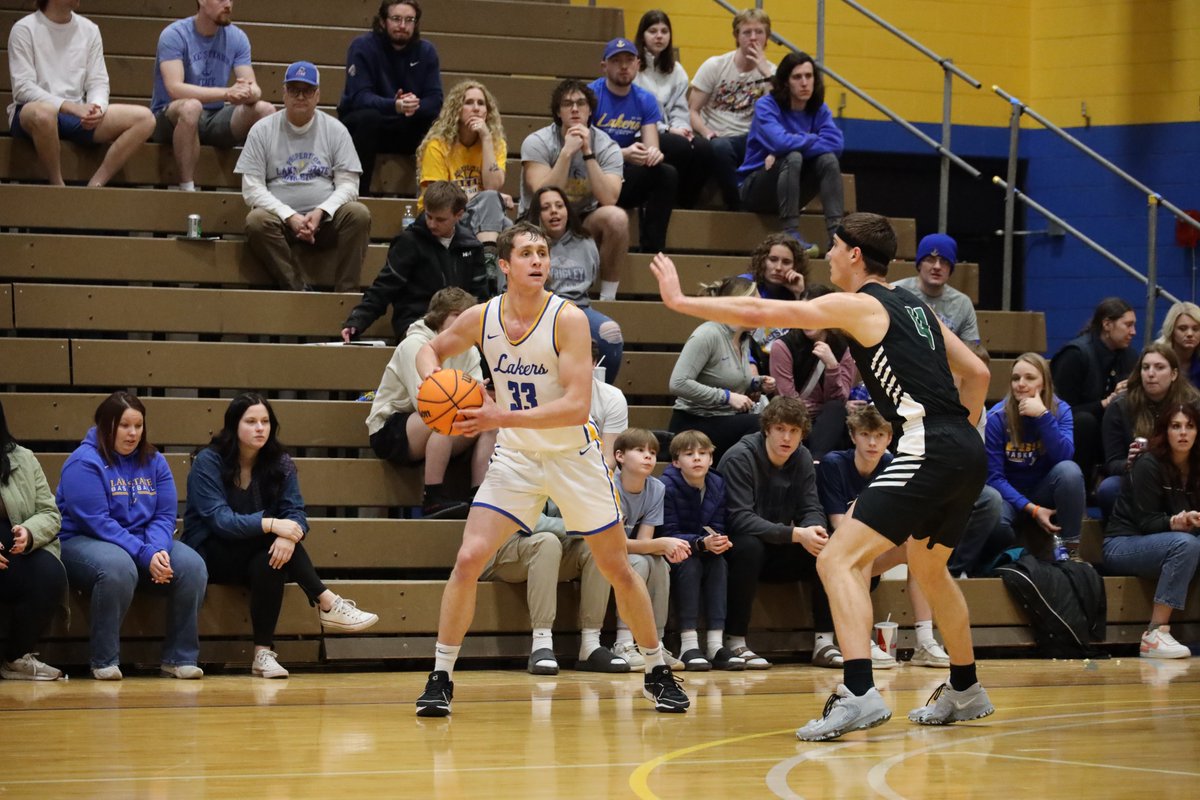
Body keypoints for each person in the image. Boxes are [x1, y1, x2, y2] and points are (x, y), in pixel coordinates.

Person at [651, 210, 996, 741]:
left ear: (855, 254)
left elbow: (762, 309)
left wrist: (680, 303)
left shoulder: (862, 302)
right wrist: (962, 437)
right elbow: (978, 373)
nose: (828, 256)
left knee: (837, 557)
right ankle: (967, 687)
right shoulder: (918, 307)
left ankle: (858, 692)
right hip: (964, 450)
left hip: (927, 444)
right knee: (929, 570)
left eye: (833, 247)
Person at [413, 221, 689, 716]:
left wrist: (499, 416)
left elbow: (578, 406)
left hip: (572, 457)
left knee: (617, 566)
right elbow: (430, 347)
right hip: (517, 458)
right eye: (527, 253)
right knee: (469, 558)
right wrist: (433, 381)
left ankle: (656, 670)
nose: (539, 260)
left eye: (543, 252)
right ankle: (440, 676)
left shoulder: (568, 320)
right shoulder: (482, 317)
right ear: (504, 265)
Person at [183, 393, 379, 678]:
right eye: (250, 421)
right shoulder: (208, 462)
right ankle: (327, 602)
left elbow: (296, 511)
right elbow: (219, 520)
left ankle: (263, 654)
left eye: (265, 421)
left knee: (274, 558)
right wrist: (273, 526)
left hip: (254, 555)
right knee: (272, 541)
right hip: (211, 554)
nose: (260, 428)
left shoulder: (279, 462)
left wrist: (287, 536)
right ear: (233, 426)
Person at [56, 392, 208, 681]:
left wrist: (157, 551)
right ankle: (104, 660)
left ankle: (179, 658)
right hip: (82, 541)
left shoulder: (155, 461)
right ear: (105, 426)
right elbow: (98, 523)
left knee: (192, 565)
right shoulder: (83, 462)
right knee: (117, 567)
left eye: (138, 426)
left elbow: (164, 516)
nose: (133, 433)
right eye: (124, 425)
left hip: (139, 541)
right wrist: (144, 553)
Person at [817, 405, 951, 669]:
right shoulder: (834, 464)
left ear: (890, 439)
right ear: (853, 436)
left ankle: (924, 640)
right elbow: (838, 523)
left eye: (879, 435)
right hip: (840, 557)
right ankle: (861, 641)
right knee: (861, 542)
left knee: (921, 545)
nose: (872, 442)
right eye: (865, 434)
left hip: (875, 551)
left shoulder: (892, 465)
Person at [716, 397, 837, 671]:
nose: (787, 437)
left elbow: (811, 506)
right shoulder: (740, 457)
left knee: (826, 547)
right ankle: (735, 640)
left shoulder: (802, 456)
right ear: (767, 429)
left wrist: (815, 530)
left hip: (779, 545)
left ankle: (824, 641)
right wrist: (796, 534)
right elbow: (740, 519)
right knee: (749, 546)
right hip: (733, 550)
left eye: (794, 431)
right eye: (781, 429)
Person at [235, 61, 371, 294]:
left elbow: (349, 184)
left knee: (359, 214)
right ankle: (297, 289)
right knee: (256, 221)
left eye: (307, 90)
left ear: (317, 95)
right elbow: (252, 188)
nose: (300, 96)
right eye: (294, 90)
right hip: (280, 223)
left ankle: (346, 294)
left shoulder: (336, 130)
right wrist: (290, 217)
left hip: (326, 222)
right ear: (284, 93)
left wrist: (321, 212)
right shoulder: (262, 130)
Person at [366, 287, 496, 518]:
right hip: (392, 428)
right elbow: (425, 404)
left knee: (489, 423)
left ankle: (480, 497)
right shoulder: (414, 344)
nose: (465, 321)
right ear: (440, 315)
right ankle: (432, 498)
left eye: (468, 315)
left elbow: (477, 396)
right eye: (458, 315)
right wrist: (467, 399)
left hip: (440, 424)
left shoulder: (470, 350)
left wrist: (480, 401)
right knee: (443, 415)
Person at [7, 0, 155, 188]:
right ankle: (57, 186)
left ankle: (96, 184)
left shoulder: (89, 30)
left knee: (145, 119)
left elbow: (98, 82)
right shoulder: (24, 29)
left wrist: (97, 108)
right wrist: (70, 107)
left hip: (76, 113)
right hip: (32, 112)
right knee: (43, 113)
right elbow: (23, 87)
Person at [1104, 403, 1200, 659]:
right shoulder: (1148, 463)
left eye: (1190, 427)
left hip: (1167, 543)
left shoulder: (1197, 466)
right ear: (1164, 431)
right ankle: (1155, 634)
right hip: (1123, 543)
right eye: (1176, 426)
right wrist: (1175, 523)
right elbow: (1145, 522)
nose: (1183, 433)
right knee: (1186, 544)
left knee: (1188, 543)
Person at [149, 0, 275, 191]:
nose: (228, 4)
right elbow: (175, 89)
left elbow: (253, 86)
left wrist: (249, 93)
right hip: (170, 117)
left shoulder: (237, 37)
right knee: (192, 107)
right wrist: (226, 93)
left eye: (231, 0)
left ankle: (260, 186)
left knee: (266, 110)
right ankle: (187, 188)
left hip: (213, 117)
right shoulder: (175, 34)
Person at [520, 79, 628, 301]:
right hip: (539, 216)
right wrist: (567, 153)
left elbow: (609, 198)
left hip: (581, 219)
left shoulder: (607, 146)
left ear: (590, 110)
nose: (575, 109)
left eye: (581, 103)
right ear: (558, 112)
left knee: (617, 219)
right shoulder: (538, 141)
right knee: (549, 206)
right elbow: (544, 194)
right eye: (568, 104)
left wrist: (587, 153)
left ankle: (608, 298)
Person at [341, 181, 488, 342]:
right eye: (428, 216)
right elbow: (384, 287)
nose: (432, 224)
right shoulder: (409, 242)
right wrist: (357, 320)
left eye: (440, 219)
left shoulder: (472, 246)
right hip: (417, 324)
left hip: (460, 325)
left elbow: (480, 297)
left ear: (458, 215)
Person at [738, 51, 844, 253]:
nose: (804, 83)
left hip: (793, 187)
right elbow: (780, 143)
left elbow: (836, 144)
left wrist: (794, 141)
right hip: (756, 187)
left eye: (809, 76)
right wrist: (812, 138)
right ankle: (790, 232)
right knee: (792, 157)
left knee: (828, 159)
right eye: (797, 77)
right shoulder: (766, 106)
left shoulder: (819, 109)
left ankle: (836, 237)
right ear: (785, 82)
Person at [337, 1, 442, 196]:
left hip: (405, 125)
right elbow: (359, 97)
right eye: (396, 19)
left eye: (409, 20)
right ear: (383, 21)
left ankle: (432, 198)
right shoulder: (363, 46)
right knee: (368, 118)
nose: (402, 25)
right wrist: (394, 105)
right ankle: (358, 195)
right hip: (367, 128)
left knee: (435, 123)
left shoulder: (426, 51)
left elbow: (435, 100)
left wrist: (413, 105)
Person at [660, 430, 744, 671]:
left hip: (702, 548)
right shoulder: (666, 486)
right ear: (676, 462)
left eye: (703, 453)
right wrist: (699, 543)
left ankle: (715, 644)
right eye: (689, 454)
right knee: (690, 562)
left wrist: (717, 541)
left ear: (711, 459)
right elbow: (667, 531)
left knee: (719, 562)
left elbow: (717, 524)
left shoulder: (717, 483)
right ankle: (688, 643)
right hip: (671, 552)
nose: (697, 458)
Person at [986, 353, 1087, 549]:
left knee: (1069, 471)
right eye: (1016, 378)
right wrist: (1032, 509)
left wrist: (1043, 416)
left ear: (1045, 383)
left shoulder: (1061, 411)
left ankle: (1071, 550)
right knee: (996, 521)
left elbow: (1064, 457)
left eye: (1029, 378)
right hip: (1009, 496)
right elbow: (994, 478)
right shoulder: (996, 417)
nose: (1021, 384)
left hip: (1043, 490)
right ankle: (1006, 560)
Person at [668, 276, 774, 463]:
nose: (762, 311)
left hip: (722, 420)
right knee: (763, 424)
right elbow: (678, 383)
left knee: (777, 420)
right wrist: (726, 396)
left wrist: (756, 383)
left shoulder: (743, 339)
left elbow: (725, 377)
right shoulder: (708, 334)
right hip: (694, 422)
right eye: (757, 305)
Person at [589, 38, 678, 257]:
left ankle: (652, 250)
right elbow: (583, 150)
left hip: (623, 176)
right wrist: (622, 154)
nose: (624, 66)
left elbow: (651, 147)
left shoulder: (645, 99)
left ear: (638, 64)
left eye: (629, 60)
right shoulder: (590, 95)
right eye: (616, 61)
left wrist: (653, 154)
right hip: (593, 174)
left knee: (666, 173)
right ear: (604, 66)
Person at [528, 185, 623, 383]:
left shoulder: (585, 241)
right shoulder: (528, 245)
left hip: (579, 308)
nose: (554, 211)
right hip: (544, 308)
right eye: (546, 208)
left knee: (611, 333)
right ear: (537, 215)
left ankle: (599, 392)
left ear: (567, 211)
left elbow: (591, 278)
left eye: (559, 205)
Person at [0, 399, 67, 680]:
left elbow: (50, 513)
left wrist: (29, 532)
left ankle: (16, 657)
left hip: (12, 545)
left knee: (49, 573)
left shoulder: (23, 458)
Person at [1098, 344, 1200, 517]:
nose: (1151, 374)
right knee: (1109, 488)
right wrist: (1129, 464)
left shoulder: (1193, 404)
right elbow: (1112, 463)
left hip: (1183, 477)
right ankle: (1122, 537)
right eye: (1145, 368)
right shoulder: (1120, 406)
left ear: (1174, 374)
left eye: (1159, 367)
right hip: (1139, 477)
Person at [688, 8, 775, 211]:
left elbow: (777, 116)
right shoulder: (715, 66)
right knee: (719, 147)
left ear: (767, 37)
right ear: (737, 36)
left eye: (759, 32)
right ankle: (738, 205)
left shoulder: (773, 73)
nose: (753, 38)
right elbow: (692, 110)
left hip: (750, 140)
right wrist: (706, 132)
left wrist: (765, 73)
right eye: (747, 32)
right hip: (717, 137)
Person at [610, 429, 680, 671]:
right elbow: (616, 543)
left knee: (659, 563)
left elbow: (644, 540)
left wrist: (660, 547)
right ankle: (623, 642)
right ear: (619, 456)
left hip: (626, 548)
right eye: (640, 451)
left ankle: (655, 643)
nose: (648, 457)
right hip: (599, 551)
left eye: (652, 452)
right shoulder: (609, 486)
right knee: (637, 563)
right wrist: (662, 544)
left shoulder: (656, 488)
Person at [1051, 297, 1138, 489]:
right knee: (1084, 422)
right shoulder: (1075, 355)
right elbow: (1058, 410)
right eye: (1128, 325)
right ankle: (1077, 488)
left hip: (1109, 431)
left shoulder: (1130, 356)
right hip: (1074, 431)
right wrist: (1105, 403)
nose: (1133, 332)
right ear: (1107, 324)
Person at [632, 9, 714, 209]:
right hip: (641, 131)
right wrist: (668, 130)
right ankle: (660, 195)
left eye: (664, 31)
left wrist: (682, 128)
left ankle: (685, 202)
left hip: (673, 130)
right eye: (653, 31)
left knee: (704, 148)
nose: (659, 36)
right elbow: (638, 113)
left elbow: (680, 109)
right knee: (680, 146)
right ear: (642, 35)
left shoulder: (677, 70)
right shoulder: (634, 67)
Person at [415, 79, 512, 248]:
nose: (476, 108)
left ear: (487, 112)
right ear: (456, 110)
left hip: (479, 214)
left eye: (481, 104)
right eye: (468, 102)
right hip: (440, 217)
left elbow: (492, 186)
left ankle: (487, 266)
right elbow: (439, 199)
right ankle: (486, 262)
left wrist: (486, 139)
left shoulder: (495, 144)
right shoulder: (438, 145)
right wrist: (485, 197)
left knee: (510, 230)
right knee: (501, 222)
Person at [771, 287, 856, 459]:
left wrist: (832, 365)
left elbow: (839, 401)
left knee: (837, 411)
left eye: (814, 312)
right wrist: (820, 407)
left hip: (828, 420)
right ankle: (816, 463)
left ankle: (816, 462)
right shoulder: (783, 346)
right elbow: (789, 404)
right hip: (793, 421)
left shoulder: (843, 347)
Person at [892, 233, 980, 344]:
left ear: (951, 269)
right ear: (919, 264)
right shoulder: (895, 293)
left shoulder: (962, 303)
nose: (937, 267)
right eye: (930, 259)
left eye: (944, 261)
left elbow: (973, 348)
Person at [1157, 301, 1200, 390]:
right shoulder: (1156, 357)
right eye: (1182, 329)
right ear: (1171, 331)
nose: (1190, 334)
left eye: (1195, 329)